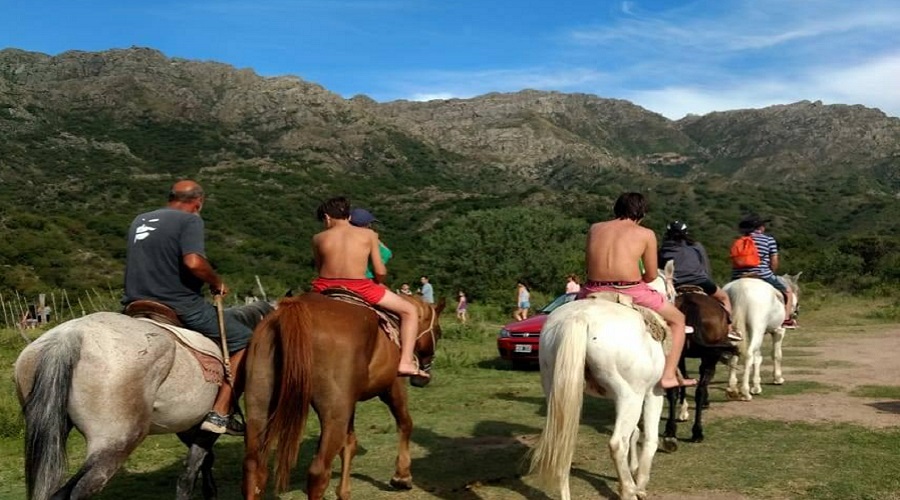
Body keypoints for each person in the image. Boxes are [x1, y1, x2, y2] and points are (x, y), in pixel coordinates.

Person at [122, 179, 251, 434]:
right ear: (198, 203)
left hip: (134, 302)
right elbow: (193, 262)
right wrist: (217, 282)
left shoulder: (140, 219)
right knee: (247, 340)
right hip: (178, 303)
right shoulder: (191, 220)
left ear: (171, 198)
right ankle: (221, 412)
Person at [579, 192, 697, 389]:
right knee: (678, 320)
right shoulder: (646, 234)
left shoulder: (595, 228)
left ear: (616, 209)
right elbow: (651, 275)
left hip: (592, 288)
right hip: (630, 290)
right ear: (642, 212)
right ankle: (668, 375)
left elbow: (588, 264)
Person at [310, 196, 428, 378]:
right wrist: (379, 278)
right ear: (348, 216)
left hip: (325, 287)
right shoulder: (369, 235)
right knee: (409, 311)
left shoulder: (318, 238)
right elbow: (380, 271)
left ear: (327, 217)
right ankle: (405, 362)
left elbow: (320, 268)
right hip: (360, 287)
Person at [659, 220, 741, 341]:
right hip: (699, 280)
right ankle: (728, 329)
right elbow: (705, 267)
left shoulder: (664, 249)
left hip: (676, 284)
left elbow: (661, 270)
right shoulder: (696, 246)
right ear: (686, 233)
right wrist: (708, 279)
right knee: (724, 297)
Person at [732, 214, 797, 328]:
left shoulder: (738, 241)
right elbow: (774, 261)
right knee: (788, 291)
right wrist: (771, 271)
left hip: (738, 276)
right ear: (760, 227)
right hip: (762, 274)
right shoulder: (768, 240)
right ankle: (786, 320)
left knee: (725, 297)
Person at [349, 207, 392, 279]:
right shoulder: (370, 238)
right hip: (363, 280)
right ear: (368, 225)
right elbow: (387, 255)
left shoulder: (335, 236)